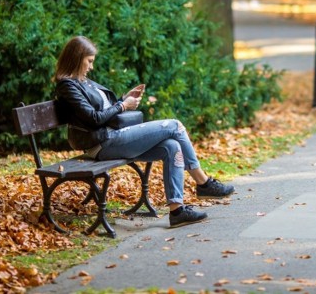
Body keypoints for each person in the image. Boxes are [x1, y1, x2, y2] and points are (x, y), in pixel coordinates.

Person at [54, 36, 235, 228]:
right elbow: (94, 118)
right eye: (89, 61)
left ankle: (177, 211)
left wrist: (124, 99)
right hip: (103, 143)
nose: (91, 67)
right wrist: (123, 106)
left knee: (172, 146)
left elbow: (103, 111)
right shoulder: (67, 85)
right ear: (77, 57)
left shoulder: (84, 81)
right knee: (174, 125)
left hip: (114, 136)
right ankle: (204, 183)